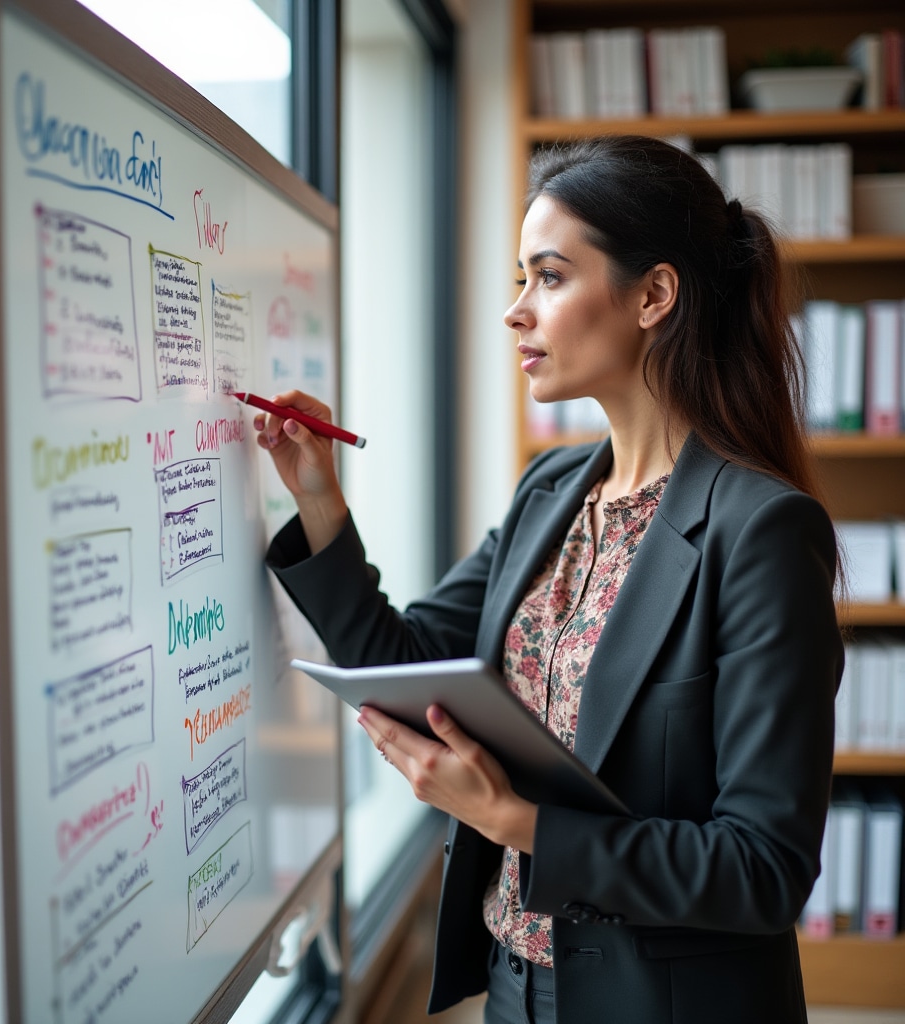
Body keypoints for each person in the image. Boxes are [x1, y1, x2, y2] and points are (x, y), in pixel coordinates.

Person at [257, 135, 844, 1024]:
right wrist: (319, 500)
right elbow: (403, 660)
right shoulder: (550, 492)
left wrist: (519, 824)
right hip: (514, 990)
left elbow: (762, 870)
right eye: (521, 278)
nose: (514, 312)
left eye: (550, 277)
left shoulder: (760, 531)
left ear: (653, 295)